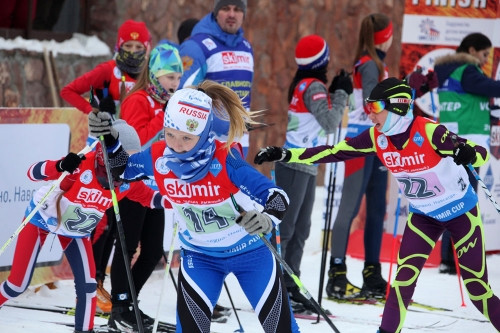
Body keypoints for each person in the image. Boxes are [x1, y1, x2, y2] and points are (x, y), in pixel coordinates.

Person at [254, 77, 500, 333]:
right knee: (402, 282)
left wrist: (468, 153)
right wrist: (285, 154)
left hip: (460, 214)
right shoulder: (377, 137)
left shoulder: (429, 131)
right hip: (424, 216)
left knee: (478, 291)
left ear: (397, 107)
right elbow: (333, 151)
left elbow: (479, 153)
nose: (370, 115)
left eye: (375, 108)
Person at [88, 80, 301, 333]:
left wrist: (266, 218)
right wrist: (111, 141)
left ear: (204, 135)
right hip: (200, 258)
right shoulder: (158, 157)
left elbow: (276, 196)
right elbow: (119, 170)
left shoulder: (225, 159)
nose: (176, 146)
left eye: (187, 138)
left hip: (250, 254)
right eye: (170, 134)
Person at [0, 121, 166, 333]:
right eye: (125, 157)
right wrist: (59, 166)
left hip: (75, 232)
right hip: (42, 219)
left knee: (88, 288)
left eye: (134, 158)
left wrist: (182, 198)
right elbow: (32, 173)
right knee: (17, 284)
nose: (128, 166)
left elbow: (152, 199)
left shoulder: (128, 181)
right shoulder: (83, 165)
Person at [60, 19, 152, 313]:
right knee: (100, 220)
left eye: (139, 47)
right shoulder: (106, 71)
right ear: (118, 46)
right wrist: (95, 111)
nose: (134, 51)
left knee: (117, 226)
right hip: (101, 156)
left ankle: (100, 284)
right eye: (128, 46)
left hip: (128, 158)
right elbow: (69, 91)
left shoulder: (147, 78)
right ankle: (91, 283)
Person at [106, 42, 184, 332]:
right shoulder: (137, 100)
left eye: (178, 78)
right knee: (126, 248)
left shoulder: (166, 104)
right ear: (154, 75)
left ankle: (129, 304)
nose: (175, 84)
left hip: (155, 187)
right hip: (132, 183)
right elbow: (135, 141)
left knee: (153, 251)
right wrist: (164, 115)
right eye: (170, 77)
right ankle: (119, 308)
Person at [275, 34, 351, 312]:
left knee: (300, 230)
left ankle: (291, 284)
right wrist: (341, 92)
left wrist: (337, 92)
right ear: (323, 59)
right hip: (294, 164)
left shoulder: (308, 84)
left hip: (304, 165)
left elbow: (321, 112)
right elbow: (330, 122)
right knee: (287, 230)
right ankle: (276, 286)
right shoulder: (312, 85)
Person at [325, 12, 393, 300]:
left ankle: (372, 273)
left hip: (376, 142)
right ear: (385, 37)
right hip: (360, 142)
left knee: (377, 208)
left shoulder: (375, 63)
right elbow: (372, 104)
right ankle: (337, 274)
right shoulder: (368, 65)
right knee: (350, 208)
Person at [434, 32, 500, 275]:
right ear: (472, 50)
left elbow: (475, 98)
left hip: (456, 142)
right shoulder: (467, 70)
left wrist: (490, 111)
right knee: (463, 202)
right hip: (467, 145)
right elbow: (489, 87)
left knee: (456, 200)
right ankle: (454, 259)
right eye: (484, 54)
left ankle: (450, 258)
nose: (485, 60)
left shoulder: (450, 71)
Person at [179, 0, 253, 157]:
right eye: (226, 8)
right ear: (215, 12)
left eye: (237, 9)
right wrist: (222, 125)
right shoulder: (196, 46)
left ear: (244, 14)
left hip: (240, 144)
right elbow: (182, 96)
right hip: (206, 144)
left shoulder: (246, 47)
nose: (232, 14)